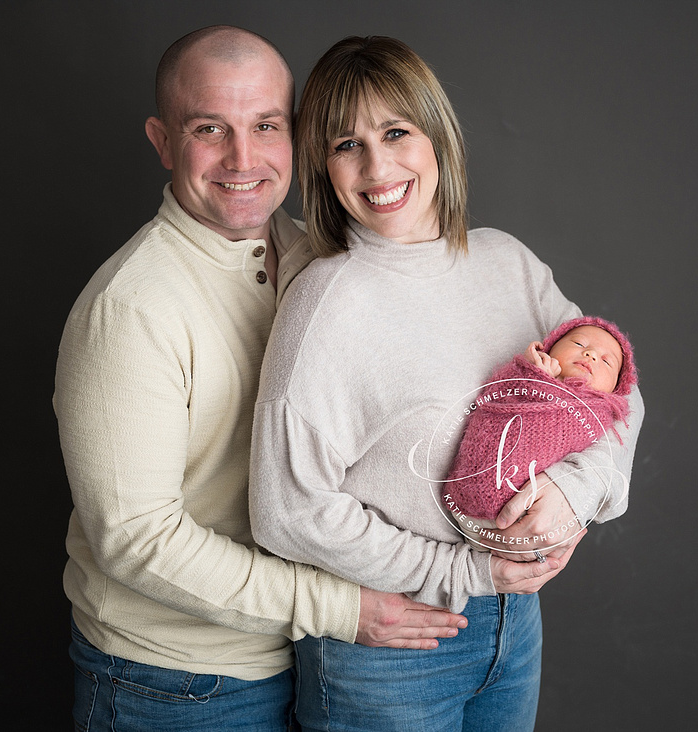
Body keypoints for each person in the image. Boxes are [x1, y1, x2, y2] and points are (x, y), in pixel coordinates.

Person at [53, 26, 466, 731]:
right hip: (178, 680)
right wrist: (340, 608)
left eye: (266, 125)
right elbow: (136, 538)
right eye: (210, 129)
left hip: (311, 655)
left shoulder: (317, 259)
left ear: (296, 134)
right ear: (162, 140)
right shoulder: (129, 308)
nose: (243, 158)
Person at [249, 36, 645, 730]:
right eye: (347, 144)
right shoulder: (325, 302)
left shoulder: (507, 263)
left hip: (515, 628)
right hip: (390, 648)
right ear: (323, 165)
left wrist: (580, 494)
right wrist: (468, 574)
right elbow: (286, 510)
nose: (378, 166)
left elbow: (618, 387)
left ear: (437, 136)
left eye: (397, 131)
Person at [443, 317, 638, 553]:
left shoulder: (599, 412)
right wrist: (533, 374)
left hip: (532, 524)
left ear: (616, 389)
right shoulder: (523, 376)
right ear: (549, 346)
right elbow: (494, 398)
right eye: (578, 344)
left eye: (607, 362)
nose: (591, 355)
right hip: (462, 510)